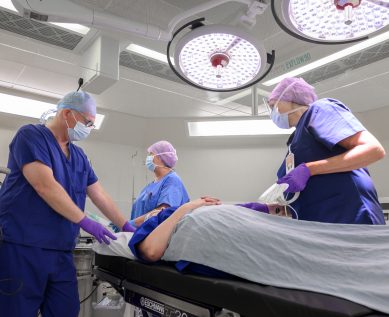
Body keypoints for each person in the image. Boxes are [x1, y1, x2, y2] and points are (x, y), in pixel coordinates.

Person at [0, 91, 133, 317]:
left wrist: (126, 226)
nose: (89, 128)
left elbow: (98, 193)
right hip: (23, 247)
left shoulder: (79, 156)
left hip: (61, 251)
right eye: (87, 122)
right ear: (67, 114)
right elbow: (45, 185)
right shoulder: (30, 136)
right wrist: (86, 222)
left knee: (66, 309)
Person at [265, 77, 386, 224]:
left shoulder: (320, 110)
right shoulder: (295, 141)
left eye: (273, 106)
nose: (272, 112)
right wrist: (269, 209)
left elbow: (373, 150)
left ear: (290, 98)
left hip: (351, 218)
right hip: (321, 227)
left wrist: (309, 169)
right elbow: (307, 196)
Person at [120, 140, 189, 230]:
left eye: (150, 154)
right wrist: (124, 224)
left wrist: (131, 224)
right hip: (139, 234)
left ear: (160, 158)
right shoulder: (151, 185)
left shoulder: (172, 181)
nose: (148, 158)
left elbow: (162, 214)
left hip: (154, 238)